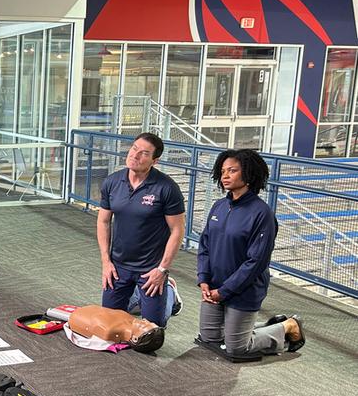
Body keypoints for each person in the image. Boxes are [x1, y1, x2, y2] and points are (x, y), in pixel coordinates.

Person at [197, 149, 304, 355]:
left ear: (248, 174)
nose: (225, 176)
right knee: (209, 338)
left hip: (244, 290)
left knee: (237, 347)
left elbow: (255, 262)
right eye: (222, 171)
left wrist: (224, 291)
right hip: (214, 285)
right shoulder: (219, 206)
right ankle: (252, 327)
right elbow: (205, 245)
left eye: (232, 171)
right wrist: (204, 280)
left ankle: (288, 326)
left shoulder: (262, 214)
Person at [97, 132, 185, 327]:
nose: (135, 155)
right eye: (134, 148)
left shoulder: (167, 188)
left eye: (144, 153)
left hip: (150, 268)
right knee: (109, 324)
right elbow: (103, 221)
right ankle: (137, 297)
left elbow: (177, 230)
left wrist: (162, 269)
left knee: (153, 328)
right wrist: (106, 262)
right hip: (118, 265)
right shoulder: (112, 182)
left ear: (155, 161)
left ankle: (170, 293)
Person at [65, 305, 165, 353]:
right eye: (148, 322)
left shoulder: (109, 331)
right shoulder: (130, 320)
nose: (145, 320)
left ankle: (171, 294)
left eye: (143, 326)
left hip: (76, 316)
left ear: (135, 339)